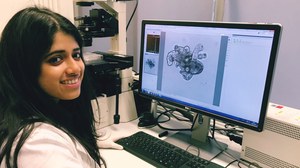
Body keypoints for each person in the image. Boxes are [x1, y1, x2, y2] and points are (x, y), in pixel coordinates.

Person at [0, 6, 121, 168]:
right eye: (56, 59)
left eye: (76, 55)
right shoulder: (37, 148)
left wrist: (78, 144)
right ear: (24, 68)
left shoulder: (28, 115)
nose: (75, 69)